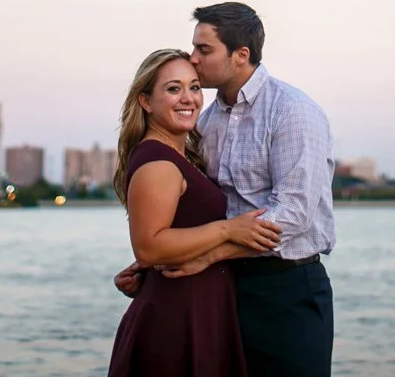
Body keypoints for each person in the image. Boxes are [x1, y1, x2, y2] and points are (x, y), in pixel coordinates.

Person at [115, 3, 337, 377]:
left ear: (241, 56)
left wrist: (209, 255)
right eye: (193, 48)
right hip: (226, 291)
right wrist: (153, 264)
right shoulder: (206, 121)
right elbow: (191, 206)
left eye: (204, 50)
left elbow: (292, 216)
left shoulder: (292, 111)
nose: (193, 58)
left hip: (286, 290)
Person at [106, 47, 282, 377]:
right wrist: (228, 230)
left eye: (195, 87)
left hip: (199, 311)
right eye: (173, 89)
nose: (188, 99)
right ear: (145, 101)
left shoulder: (183, 157)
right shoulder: (158, 162)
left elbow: (169, 237)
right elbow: (148, 247)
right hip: (175, 321)